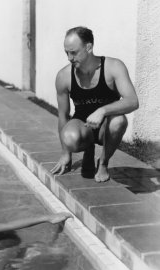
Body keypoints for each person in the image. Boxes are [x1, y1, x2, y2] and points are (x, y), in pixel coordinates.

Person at [51, 26, 139, 182]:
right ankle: (88, 148)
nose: (69, 58)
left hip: (105, 126)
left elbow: (132, 101)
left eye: (74, 52)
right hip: (82, 125)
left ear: (89, 47)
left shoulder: (113, 67)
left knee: (119, 120)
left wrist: (102, 111)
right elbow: (63, 115)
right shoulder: (63, 76)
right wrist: (66, 153)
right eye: (67, 53)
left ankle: (103, 162)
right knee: (69, 137)